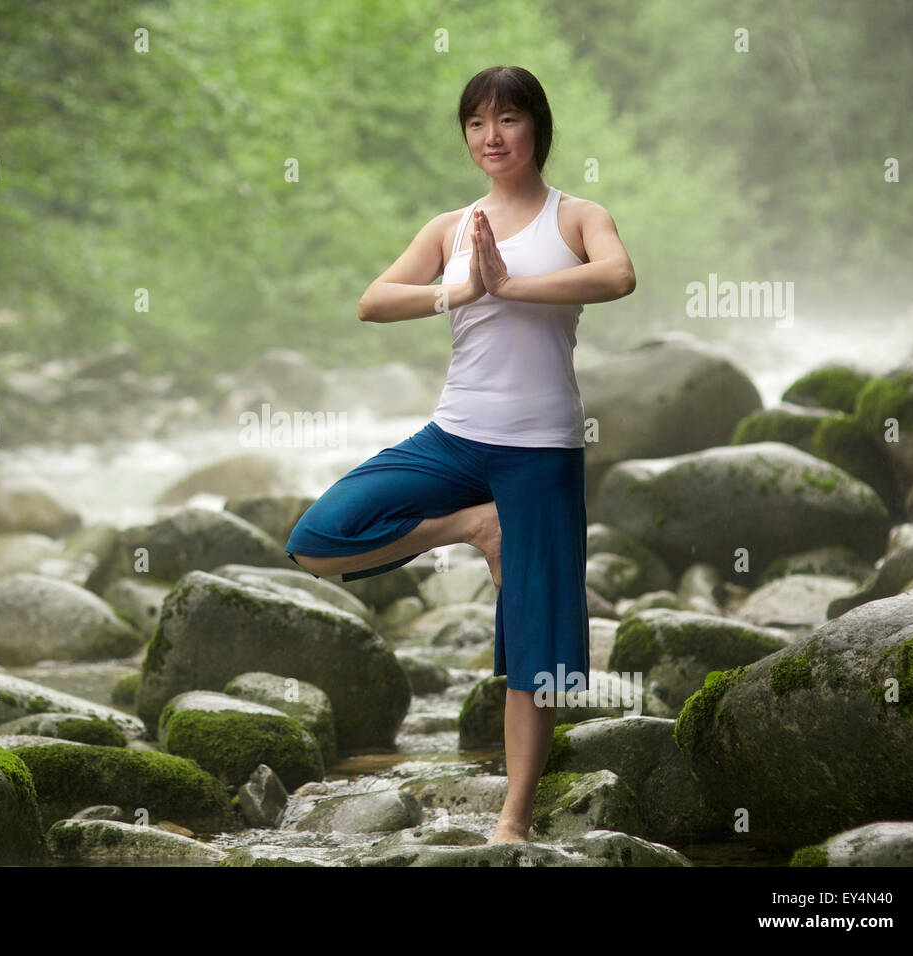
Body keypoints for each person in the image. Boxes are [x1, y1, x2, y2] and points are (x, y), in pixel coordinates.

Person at [284, 65, 636, 845]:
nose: (492, 137)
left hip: (540, 450)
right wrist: (462, 289)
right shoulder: (452, 227)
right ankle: (475, 528)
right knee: (317, 541)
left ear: (537, 127)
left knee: (537, 654)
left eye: (508, 120)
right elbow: (373, 301)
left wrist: (509, 285)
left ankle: (513, 818)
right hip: (455, 439)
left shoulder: (577, 216)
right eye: (477, 124)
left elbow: (618, 276)